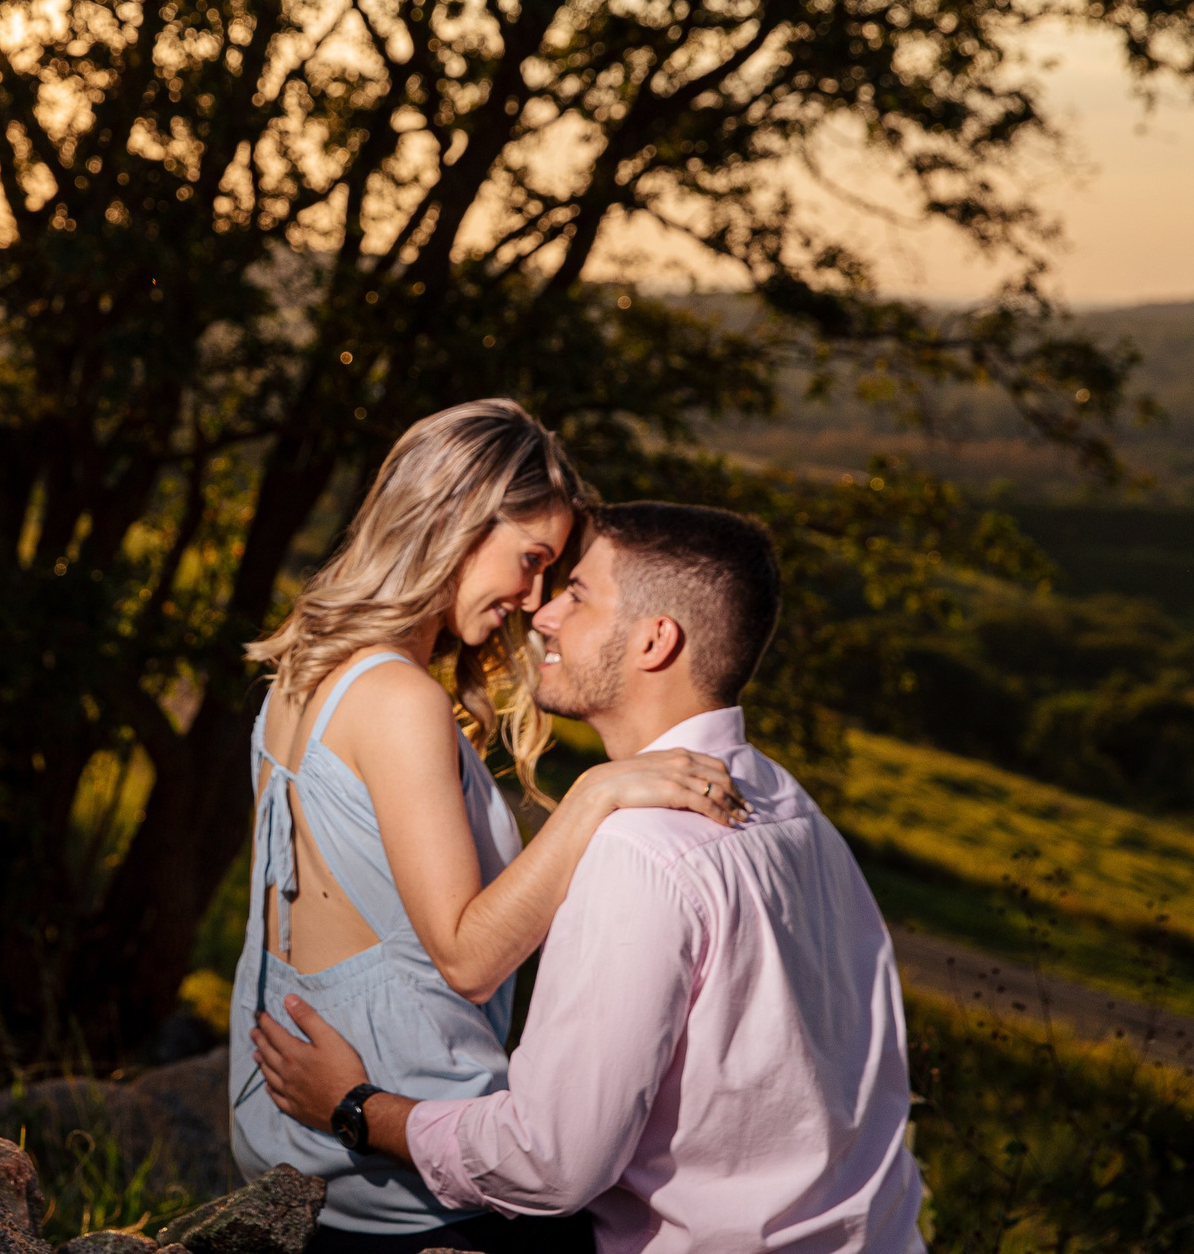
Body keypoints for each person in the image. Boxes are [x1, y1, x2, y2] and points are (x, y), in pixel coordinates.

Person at [252, 501, 927, 1254]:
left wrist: (355, 1107)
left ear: (653, 639)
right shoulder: (798, 812)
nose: (542, 614)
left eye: (576, 593)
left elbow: (551, 1161)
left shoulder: (639, 853)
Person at [231, 404, 751, 1254]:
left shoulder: (312, 657)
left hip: (299, 1139)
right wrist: (598, 794)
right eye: (531, 559)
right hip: (401, 1168)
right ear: (454, 523)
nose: (534, 598)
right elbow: (467, 957)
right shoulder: (399, 699)